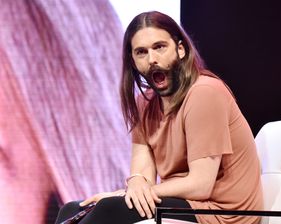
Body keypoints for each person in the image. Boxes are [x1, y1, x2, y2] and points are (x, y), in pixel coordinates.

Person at [55, 11, 263, 224]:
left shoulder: (205, 93)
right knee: (72, 209)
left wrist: (124, 193)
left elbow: (201, 184)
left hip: (222, 211)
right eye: (141, 52)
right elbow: (142, 173)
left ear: (180, 49)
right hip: (179, 201)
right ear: (133, 61)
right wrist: (136, 182)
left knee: (108, 209)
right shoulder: (144, 104)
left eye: (159, 47)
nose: (152, 59)